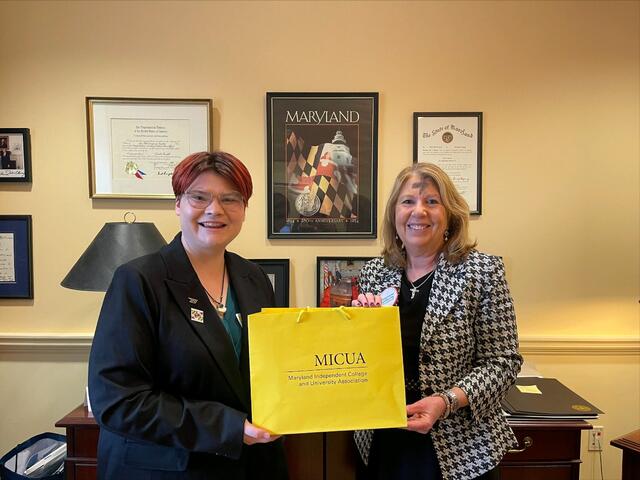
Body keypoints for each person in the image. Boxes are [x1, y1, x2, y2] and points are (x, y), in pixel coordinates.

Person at [88, 151, 288, 479]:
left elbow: (271, 370)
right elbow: (117, 400)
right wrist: (229, 427)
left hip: (250, 465)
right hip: (170, 467)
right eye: (199, 197)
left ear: (244, 209)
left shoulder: (254, 279)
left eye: (230, 199)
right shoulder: (139, 280)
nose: (215, 210)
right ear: (178, 204)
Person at [352, 163, 522, 480]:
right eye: (408, 202)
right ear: (394, 214)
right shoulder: (375, 272)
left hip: (461, 443)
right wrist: (357, 329)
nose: (419, 212)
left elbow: (504, 362)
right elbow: (364, 362)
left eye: (432, 201)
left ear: (450, 215)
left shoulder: (482, 272)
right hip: (385, 437)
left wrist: (445, 402)